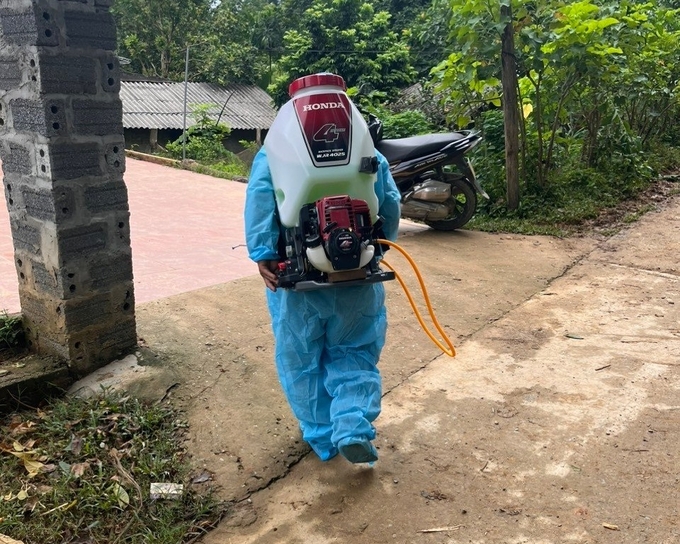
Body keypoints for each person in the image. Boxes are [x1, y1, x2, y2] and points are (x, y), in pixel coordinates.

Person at [244, 145, 401, 464]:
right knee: (355, 351)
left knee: (301, 361)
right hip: (355, 277)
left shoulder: (275, 148)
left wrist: (263, 252)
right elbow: (390, 201)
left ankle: (322, 437)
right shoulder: (361, 143)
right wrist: (377, 250)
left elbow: (260, 195)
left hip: (297, 282)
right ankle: (351, 426)